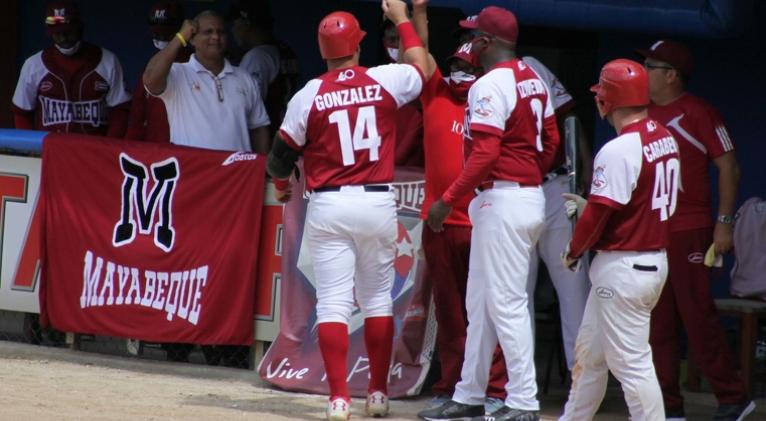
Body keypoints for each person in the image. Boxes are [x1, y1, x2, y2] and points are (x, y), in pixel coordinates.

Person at [265, 1, 431, 419]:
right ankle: (377, 393)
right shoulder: (384, 79)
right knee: (377, 300)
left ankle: (338, 398)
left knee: (334, 303)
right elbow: (423, 68)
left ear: (323, 51)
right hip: (376, 201)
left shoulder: (310, 94)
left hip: (329, 204)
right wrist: (404, 22)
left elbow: (278, 159)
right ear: (358, 46)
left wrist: (284, 188)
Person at [419, 6, 559, 421]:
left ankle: (523, 401)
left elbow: (484, 153)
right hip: (521, 196)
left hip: (503, 198)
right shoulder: (533, 77)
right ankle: (469, 393)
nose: (471, 43)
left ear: (488, 41)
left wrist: (447, 200)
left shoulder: (491, 83)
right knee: (479, 302)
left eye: (476, 36)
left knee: (507, 303)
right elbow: (550, 142)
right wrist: (529, 174)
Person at [637, 40, 755, 421]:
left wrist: (724, 224)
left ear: (671, 75)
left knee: (697, 315)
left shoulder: (699, 112)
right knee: (658, 321)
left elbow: (729, 167)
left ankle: (733, 397)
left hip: (690, 228)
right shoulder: (642, 113)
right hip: (653, 229)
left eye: (650, 65)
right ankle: (668, 406)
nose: (643, 71)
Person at [558, 58, 679, 421]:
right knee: (591, 356)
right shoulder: (664, 135)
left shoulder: (618, 149)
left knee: (632, 365)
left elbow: (598, 215)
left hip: (625, 266)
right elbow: (633, 200)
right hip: (647, 261)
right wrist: (593, 204)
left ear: (607, 100)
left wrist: (573, 249)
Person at [406, 1, 508, 414]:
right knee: (450, 313)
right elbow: (418, 51)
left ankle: (496, 388)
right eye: (455, 66)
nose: (460, 74)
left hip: (481, 222)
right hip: (440, 225)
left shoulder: (489, 100)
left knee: (489, 310)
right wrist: (415, 14)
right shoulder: (435, 94)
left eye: (468, 68)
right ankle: (454, 385)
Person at [143, 10, 270, 153]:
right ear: (191, 39)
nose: (215, 36)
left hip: (236, 173)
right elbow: (150, 80)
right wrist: (179, 38)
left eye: (220, 32)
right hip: (192, 172)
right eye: (208, 32)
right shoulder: (178, 73)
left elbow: (259, 128)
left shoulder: (244, 78)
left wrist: (261, 170)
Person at [12, 0, 131, 137]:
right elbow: (21, 112)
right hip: (51, 150)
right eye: (58, 33)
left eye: (68, 32)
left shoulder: (108, 61)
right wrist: (33, 148)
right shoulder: (34, 65)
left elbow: (120, 110)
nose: (63, 38)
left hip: (94, 150)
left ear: (80, 27)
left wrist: (109, 147)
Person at [228, 0, 300, 130]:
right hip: (289, 132)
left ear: (247, 23)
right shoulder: (285, 50)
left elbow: (247, 107)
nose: (232, 30)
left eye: (235, 24)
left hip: (269, 136)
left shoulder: (257, 57)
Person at [125, 1, 188, 142]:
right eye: (157, 33)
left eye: (165, 33)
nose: (161, 38)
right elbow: (136, 120)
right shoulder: (152, 67)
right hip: (157, 153)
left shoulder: (195, 63)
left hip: (189, 151)